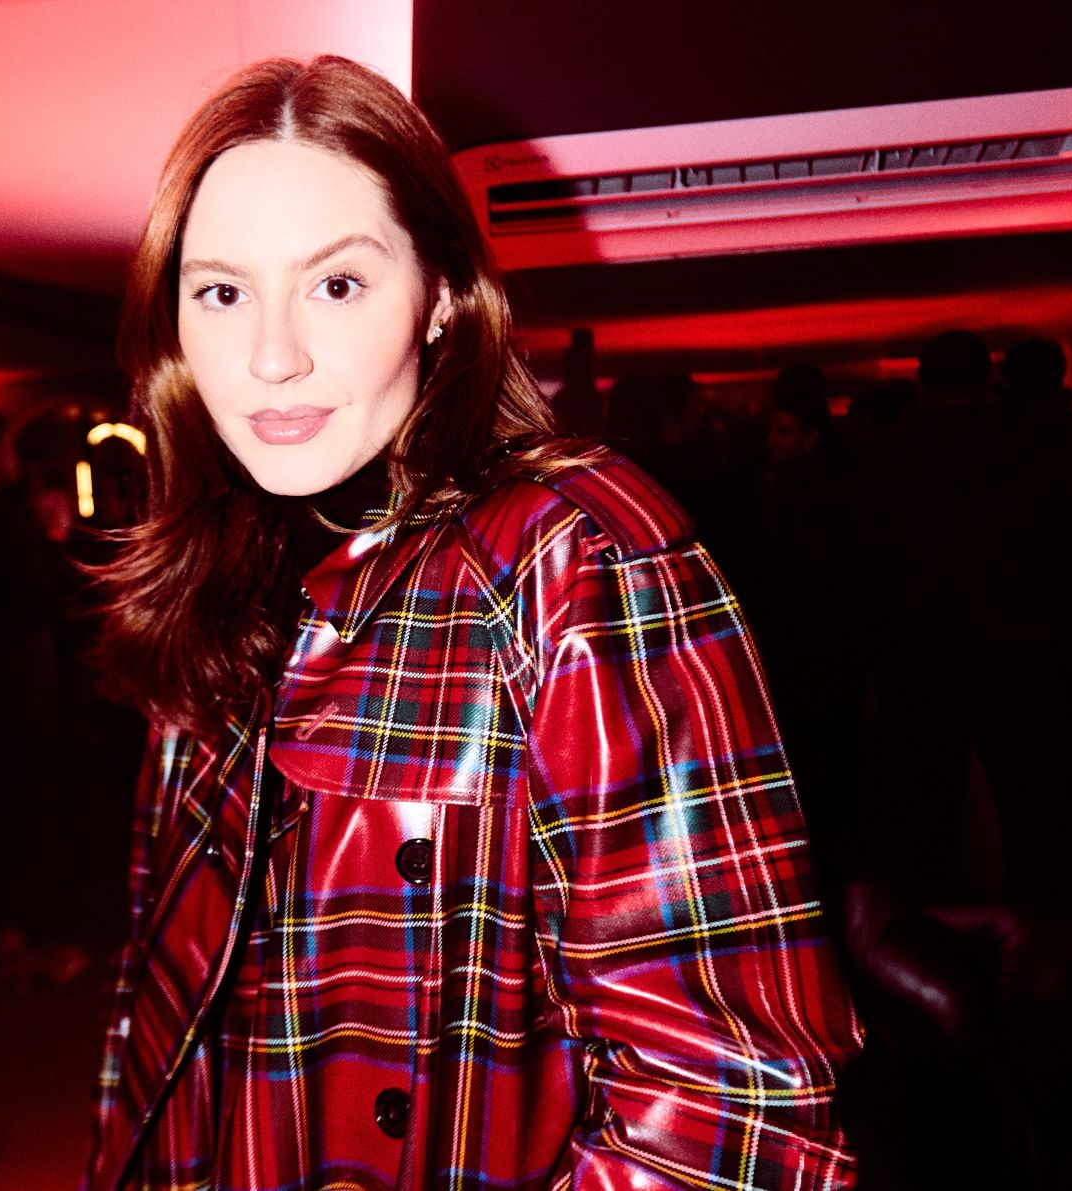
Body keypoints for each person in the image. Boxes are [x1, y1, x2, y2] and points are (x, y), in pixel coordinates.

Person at [85, 56, 860, 1190]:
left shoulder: (570, 556)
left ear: (441, 293)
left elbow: (731, 1117)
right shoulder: (214, 564)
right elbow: (158, 1022)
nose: (270, 357)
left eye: (335, 284)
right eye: (222, 292)